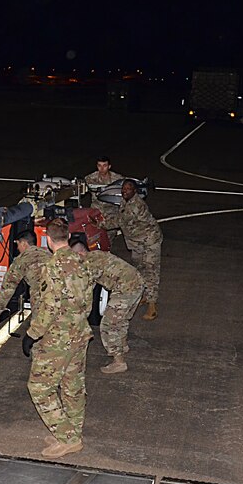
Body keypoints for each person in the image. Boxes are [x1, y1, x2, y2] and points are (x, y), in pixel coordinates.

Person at [24, 219, 94, 459]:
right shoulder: (82, 262)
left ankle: (68, 438)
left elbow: (49, 306)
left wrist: (33, 334)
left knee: (39, 387)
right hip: (79, 332)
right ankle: (71, 430)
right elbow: (87, 302)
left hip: (58, 338)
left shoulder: (53, 266)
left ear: (48, 239)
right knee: (72, 386)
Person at [71, 242, 143, 374]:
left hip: (125, 288)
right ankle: (122, 345)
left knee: (108, 324)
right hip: (137, 282)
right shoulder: (97, 254)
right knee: (121, 318)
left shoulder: (88, 264)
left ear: (80, 253)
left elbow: (85, 292)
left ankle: (119, 362)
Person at [110, 180, 162, 321]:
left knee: (150, 270)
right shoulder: (125, 201)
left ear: (135, 191)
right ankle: (144, 296)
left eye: (128, 189)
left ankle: (152, 305)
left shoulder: (135, 205)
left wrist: (99, 223)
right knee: (139, 269)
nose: (125, 191)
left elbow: (118, 221)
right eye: (123, 188)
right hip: (137, 242)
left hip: (149, 241)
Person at [0, 230, 49, 315]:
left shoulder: (21, 259)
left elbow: (8, 288)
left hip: (40, 300)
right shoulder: (48, 255)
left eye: (18, 244)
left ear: (23, 243)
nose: (17, 248)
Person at [83, 157, 124, 229]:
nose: (101, 168)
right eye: (99, 165)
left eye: (104, 165)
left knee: (109, 235)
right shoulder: (90, 178)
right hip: (96, 209)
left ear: (109, 166)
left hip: (111, 210)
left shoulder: (117, 179)